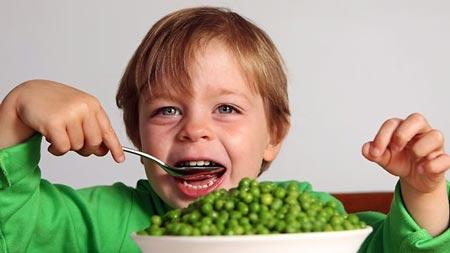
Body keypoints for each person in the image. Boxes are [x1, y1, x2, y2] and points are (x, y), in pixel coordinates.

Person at [0, 7, 448, 253]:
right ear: (135, 134)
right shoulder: (99, 224)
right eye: (167, 111)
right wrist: (17, 112)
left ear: (274, 134)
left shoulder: (309, 223)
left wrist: (423, 191)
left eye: (227, 108)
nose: (195, 129)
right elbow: (13, 226)